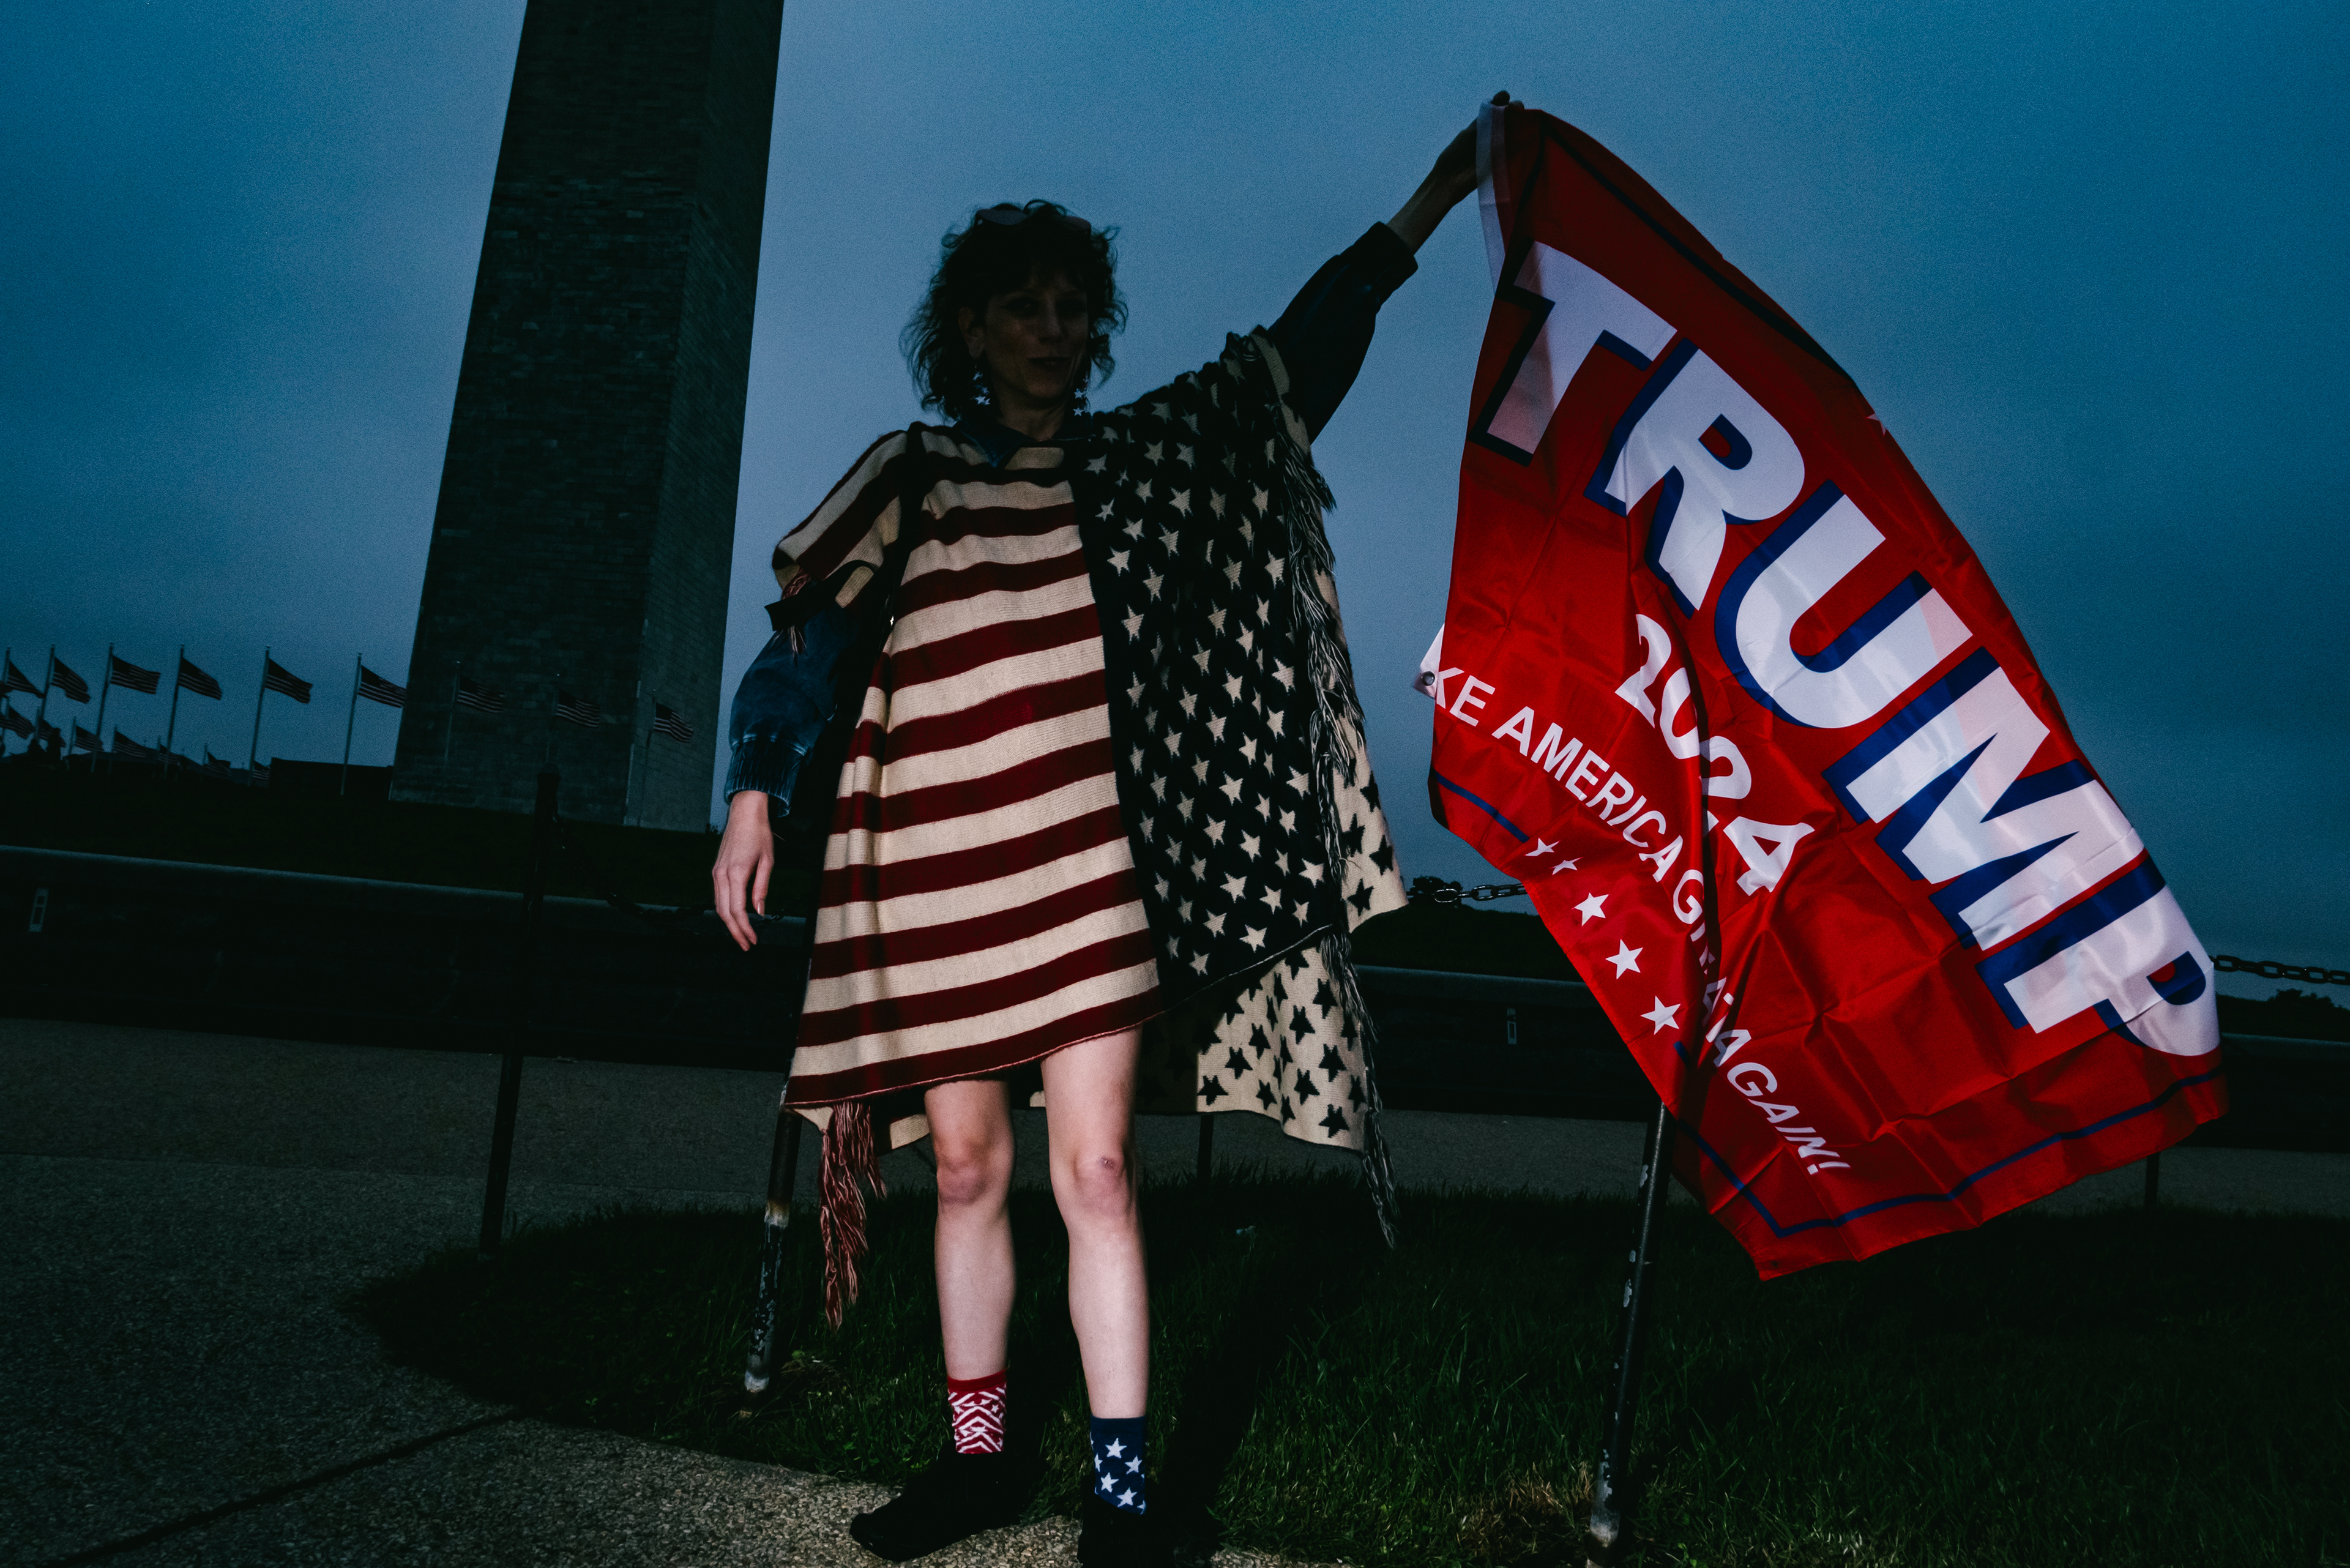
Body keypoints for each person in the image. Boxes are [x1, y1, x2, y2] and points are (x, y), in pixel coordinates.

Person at [712, 95, 1515, 1567]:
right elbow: (806, 647)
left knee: (1093, 1174)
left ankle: (1127, 1503)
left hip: (1087, 874)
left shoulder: (1136, 470)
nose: (1055, 328)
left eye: (1077, 307)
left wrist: (1422, 205)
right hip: (930, 870)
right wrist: (757, 786)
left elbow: (1292, 363)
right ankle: (972, 1463)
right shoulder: (912, 474)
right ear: (970, 327)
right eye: (1024, 306)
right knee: (962, 1172)